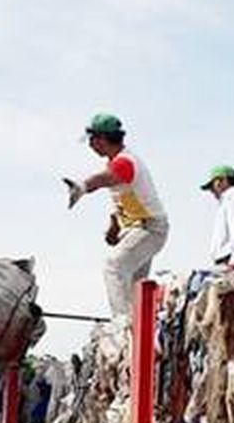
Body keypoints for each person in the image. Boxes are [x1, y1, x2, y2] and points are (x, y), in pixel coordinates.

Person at [62, 113, 170, 316]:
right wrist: (115, 225)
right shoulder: (120, 161)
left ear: (101, 139)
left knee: (114, 268)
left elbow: (105, 178)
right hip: (140, 229)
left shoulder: (124, 163)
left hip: (149, 229)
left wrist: (82, 186)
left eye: (92, 140)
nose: (90, 146)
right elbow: (125, 199)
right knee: (134, 290)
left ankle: (121, 327)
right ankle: (138, 333)